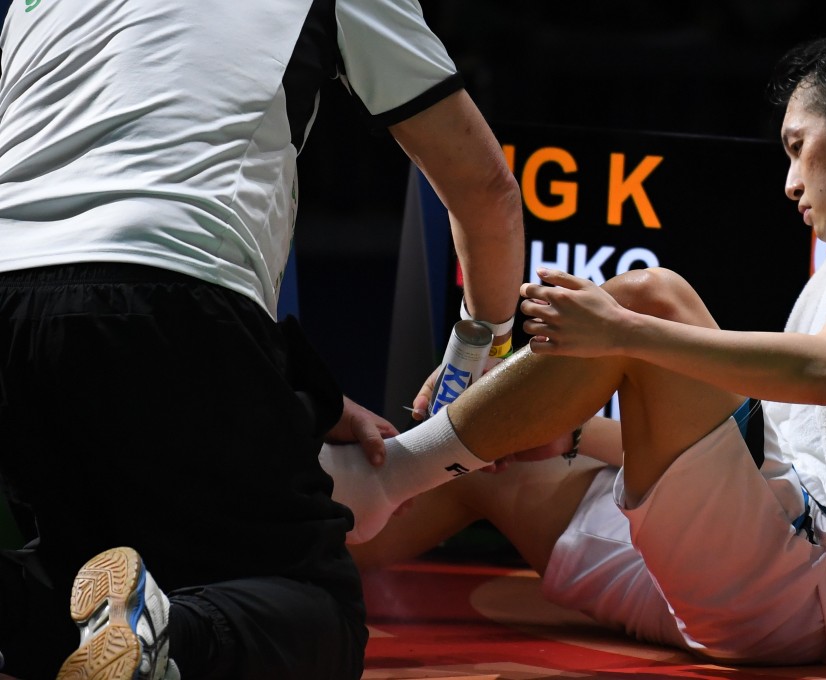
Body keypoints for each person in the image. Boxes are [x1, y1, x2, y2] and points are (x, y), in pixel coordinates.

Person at [320, 34, 826, 665]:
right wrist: (564, 432)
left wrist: (623, 331)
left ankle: (385, 475)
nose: (790, 183)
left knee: (650, 297)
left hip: (816, 584)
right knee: (485, 461)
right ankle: (280, 559)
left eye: (798, 147)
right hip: (767, 581)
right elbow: (778, 440)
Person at [0, 0, 523, 677]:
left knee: (80, 578)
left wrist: (303, 395)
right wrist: (482, 352)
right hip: (170, 289)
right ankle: (173, 643)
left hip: (13, 305)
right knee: (314, 609)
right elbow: (485, 187)